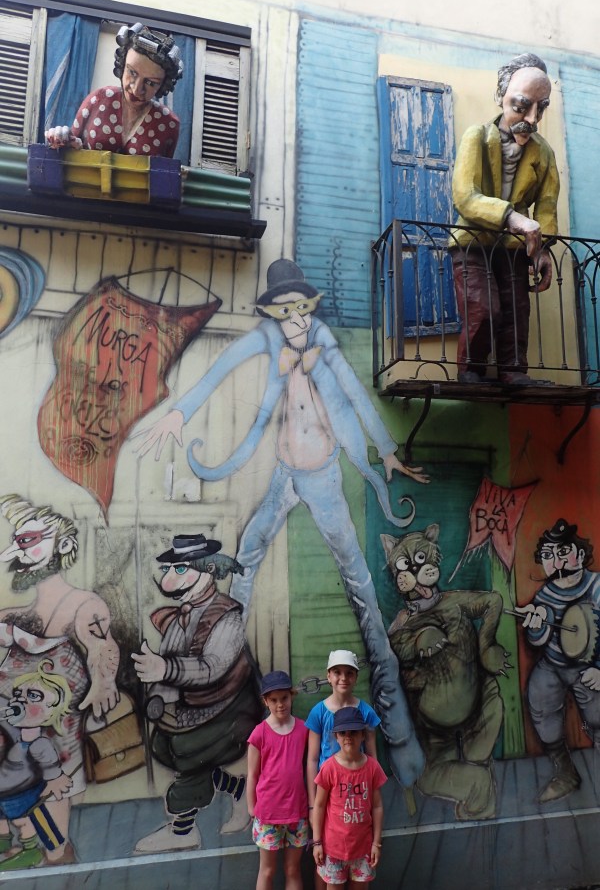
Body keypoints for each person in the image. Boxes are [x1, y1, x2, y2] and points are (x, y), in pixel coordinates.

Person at [133, 257, 427, 789]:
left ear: (310, 307)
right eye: (284, 310)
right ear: (272, 312)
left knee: (359, 581)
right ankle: (224, 668)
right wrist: (180, 412)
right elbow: (221, 366)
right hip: (285, 473)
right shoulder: (269, 339)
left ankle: (395, 713)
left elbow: (354, 393)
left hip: (323, 477)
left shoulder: (324, 343)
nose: (294, 319)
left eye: (301, 308)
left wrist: (384, 449)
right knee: (245, 559)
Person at [0, 493, 120, 864]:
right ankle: (23, 844)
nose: (21, 549)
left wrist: (104, 681)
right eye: (19, 541)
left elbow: (102, 645)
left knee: (56, 779)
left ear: (63, 545)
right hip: (13, 724)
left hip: (56, 720)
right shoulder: (16, 615)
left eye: (30, 539)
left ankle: (57, 851)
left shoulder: (84, 604)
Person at [132, 533, 263, 853]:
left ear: (207, 570)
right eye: (169, 569)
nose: (169, 576)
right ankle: (239, 790)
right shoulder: (180, 616)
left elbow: (212, 667)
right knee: (167, 747)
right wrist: (159, 696)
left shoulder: (228, 617)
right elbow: (171, 656)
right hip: (192, 707)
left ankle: (183, 830)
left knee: (188, 753)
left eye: (180, 569)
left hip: (229, 709)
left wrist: (165, 669)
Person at [451, 53, 560, 385]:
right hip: (473, 242)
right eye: (522, 106)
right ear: (501, 96)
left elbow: (546, 206)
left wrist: (542, 249)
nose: (532, 118)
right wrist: (512, 218)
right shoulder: (477, 136)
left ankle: (513, 371)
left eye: (540, 109)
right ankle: (471, 369)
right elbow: (464, 196)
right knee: (483, 309)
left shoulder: (543, 152)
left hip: (514, 248)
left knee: (516, 312)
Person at [515, 518, 600, 802]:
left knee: (598, 716)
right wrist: (536, 623)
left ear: (580, 554)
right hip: (553, 665)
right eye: (548, 555)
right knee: (541, 705)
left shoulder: (597, 586)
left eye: (563, 552)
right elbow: (537, 641)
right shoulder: (546, 593)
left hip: (588, 668)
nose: (556, 561)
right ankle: (565, 772)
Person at [45, 22, 183, 157]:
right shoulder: (99, 99)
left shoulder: (169, 123)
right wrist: (63, 138)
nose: (136, 90)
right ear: (122, 65)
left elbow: (165, 170)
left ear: (163, 85)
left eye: (151, 83)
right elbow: (70, 149)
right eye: (132, 72)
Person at [306, 651, 380, 890]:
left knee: (353, 844)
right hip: (327, 791)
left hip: (356, 792)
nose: (343, 678)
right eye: (337, 672)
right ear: (328, 676)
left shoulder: (366, 712)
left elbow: (373, 755)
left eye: (349, 673)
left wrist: (370, 797)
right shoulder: (318, 712)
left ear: (356, 677)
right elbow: (312, 759)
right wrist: (312, 803)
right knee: (326, 855)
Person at [0, 661, 73, 871]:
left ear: (50, 712)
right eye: (19, 694)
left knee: (24, 821)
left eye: (33, 696)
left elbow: (50, 764)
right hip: (6, 793)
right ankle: (5, 841)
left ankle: (31, 850)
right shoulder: (18, 734)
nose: (21, 700)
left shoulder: (38, 743)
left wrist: (54, 779)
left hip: (21, 793)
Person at [246, 670, 309, 890]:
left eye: (284, 698)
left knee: (293, 869)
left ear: (292, 696)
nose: (280, 704)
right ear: (265, 701)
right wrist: (252, 808)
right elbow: (252, 774)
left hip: (297, 812)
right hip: (268, 814)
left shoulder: (303, 729)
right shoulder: (259, 733)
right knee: (268, 870)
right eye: (274, 700)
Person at [312, 706, 386, 888]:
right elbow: (319, 805)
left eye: (353, 732)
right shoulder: (329, 768)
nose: (348, 737)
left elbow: (377, 806)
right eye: (343, 732)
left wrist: (376, 843)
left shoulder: (372, 767)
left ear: (362, 735)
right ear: (336, 736)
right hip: (333, 849)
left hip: (364, 848)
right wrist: (317, 843)